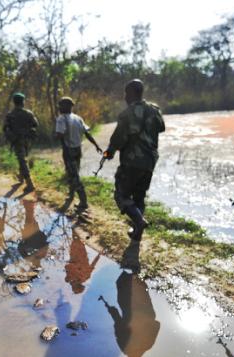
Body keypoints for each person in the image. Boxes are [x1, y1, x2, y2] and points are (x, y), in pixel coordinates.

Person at [103, 79, 165, 265]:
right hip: (149, 162)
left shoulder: (127, 114)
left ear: (131, 93)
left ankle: (138, 221)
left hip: (131, 162)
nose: (124, 97)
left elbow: (117, 140)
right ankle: (137, 235)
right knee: (139, 197)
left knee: (121, 195)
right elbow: (161, 128)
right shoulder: (154, 109)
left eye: (125, 93)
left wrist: (109, 153)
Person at [55, 96, 103, 211]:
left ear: (66, 106)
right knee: (72, 173)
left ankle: (83, 201)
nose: (59, 108)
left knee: (74, 175)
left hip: (68, 150)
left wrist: (56, 134)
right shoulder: (78, 118)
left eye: (61, 105)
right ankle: (71, 195)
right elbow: (87, 133)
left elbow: (60, 135)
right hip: (78, 150)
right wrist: (96, 145)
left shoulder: (61, 119)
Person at [4, 92, 39, 192]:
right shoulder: (28, 113)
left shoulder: (10, 115)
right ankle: (21, 177)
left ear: (14, 102)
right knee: (22, 158)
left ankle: (29, 183)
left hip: (17, 140)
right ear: (23, 102)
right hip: (27, 139)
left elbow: (5, 128)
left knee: (21, 159)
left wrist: (10, 135)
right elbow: (35, 124)